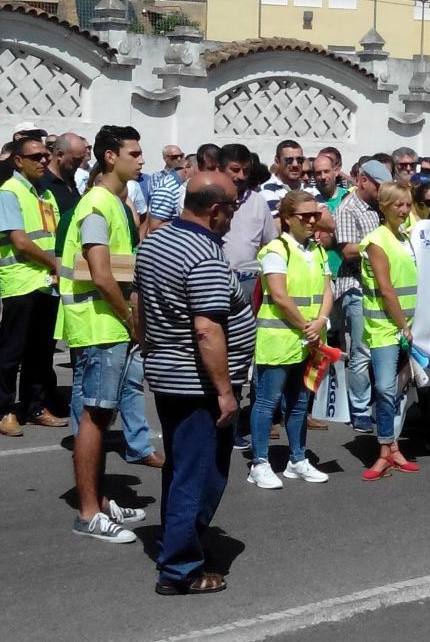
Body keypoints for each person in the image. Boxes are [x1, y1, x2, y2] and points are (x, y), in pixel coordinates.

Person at [134, 171, 255, 595]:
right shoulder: (202, 253)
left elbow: (139, 303)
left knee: (182, 468)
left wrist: (149, 346)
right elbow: (207, 329)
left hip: (169, 374)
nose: (233, 217)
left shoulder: (155, 241)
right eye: (233, 208)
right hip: (197, 382)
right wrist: (224, 390)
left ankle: (179, 542)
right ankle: (180, 568)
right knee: (198, 473)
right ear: (215, 209)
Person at [61, 125, 150, 544]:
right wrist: (131, 320)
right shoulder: (97, 204)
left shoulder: (113, 202)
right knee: (95, 418)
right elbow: (99, 273)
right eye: (134, 153)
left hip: (105, 325)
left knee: (99, 417)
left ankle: (100, 499)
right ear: (111, 157)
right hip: (98, 327)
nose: (142, 160)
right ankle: (89, 512)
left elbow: (116, 270)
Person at [247, 191, 334, 489]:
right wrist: (306, 326)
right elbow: (279, 296)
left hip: (308, 339)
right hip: (279, 339)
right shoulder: (276, 250)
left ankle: (297, 459)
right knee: (267, 402)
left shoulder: (319, 251)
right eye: (305, 216)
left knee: (299, 404)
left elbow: (327, 291)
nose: (312, 221)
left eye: (316, 215)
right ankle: (259, 462)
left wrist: (320, 321)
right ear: (287, 219)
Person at [0, 137, 68, 437]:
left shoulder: (44, 193)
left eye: (45, 155)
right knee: (12, 352)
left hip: (46, 282)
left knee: (41, 352)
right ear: (18, 161)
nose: (43, 160)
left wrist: (55, 266)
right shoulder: (10, 192)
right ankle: (6, 410)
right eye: (35, 156)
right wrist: (55, 263)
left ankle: (35, 407)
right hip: (22, 283)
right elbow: (20, 241)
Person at [359, 181, 420, 479]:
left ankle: (393, 447)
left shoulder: (409, 238)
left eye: (407, 204)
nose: (404, 210)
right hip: (387, 326)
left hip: (412, 325)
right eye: (398, 204)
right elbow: (386, 289)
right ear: (383, 207)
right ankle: (385, 448)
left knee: (401, 390)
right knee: (384, 388)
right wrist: (403, 326)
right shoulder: (376, 241)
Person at [335, 160, 388, 432]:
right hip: (356, 287)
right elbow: (347, 250)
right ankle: (359, 409)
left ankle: (381, 404)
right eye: (378, 185)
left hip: (380, 288)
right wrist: (380, 246)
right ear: (364, 181)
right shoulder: (348, 208)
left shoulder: (380, 208)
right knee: (361, 351)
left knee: (382, 348)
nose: (382, 191)